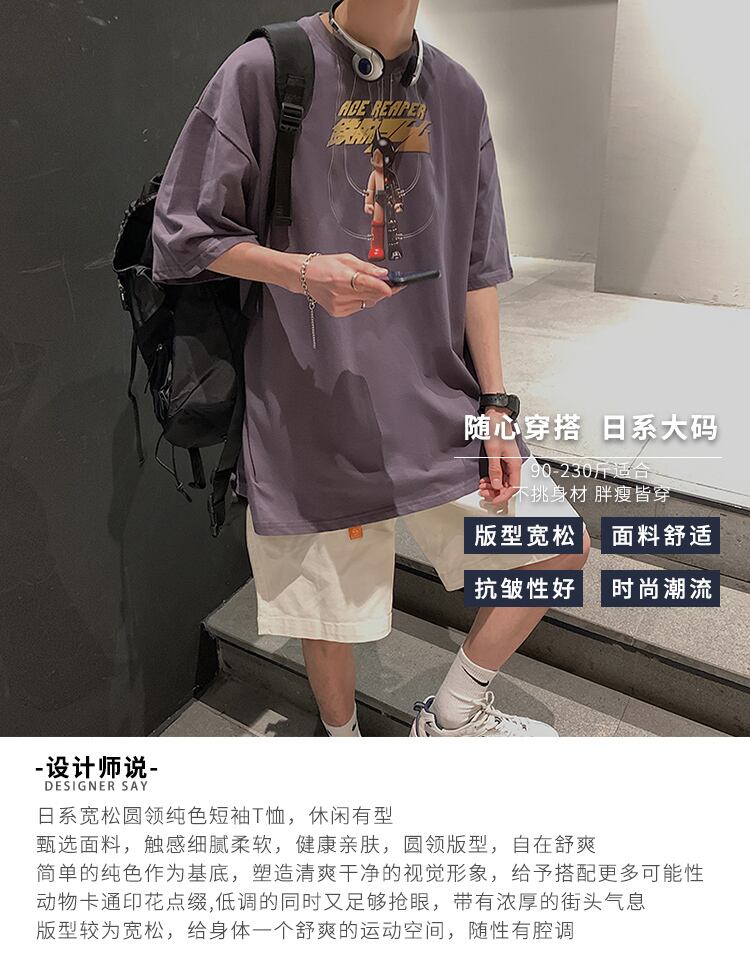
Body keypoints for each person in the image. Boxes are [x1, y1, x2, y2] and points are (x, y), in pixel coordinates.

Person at [151, 1, 590, 738]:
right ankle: (344, 748)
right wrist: (301, 271)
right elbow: (183, 231)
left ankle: (452, 717)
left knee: (556, 545)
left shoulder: (458, 95)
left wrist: (496, 406)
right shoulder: (267, 70)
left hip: (432, 400)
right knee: (330, 611)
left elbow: (477, 266)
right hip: (309, 400)